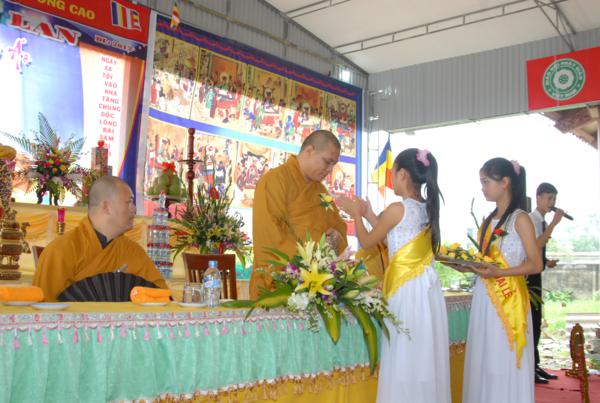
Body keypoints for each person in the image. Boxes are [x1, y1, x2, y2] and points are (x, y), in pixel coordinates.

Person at [336, 148, 450, 403]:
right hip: (424, 289)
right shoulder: (426, 207)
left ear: (403, 174)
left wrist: (355, 215)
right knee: (420, 355)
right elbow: (393, 241)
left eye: (393, 173)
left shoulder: (398, 208)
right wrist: (368, 213)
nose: (391, 179)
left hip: (406, 290)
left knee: (403, 353)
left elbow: (368, 241)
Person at [462, 158, 542, 403]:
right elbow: (485, 259)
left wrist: (499, 274)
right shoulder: (488, 220)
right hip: (485, 297)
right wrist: (465, 264)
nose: (483, 188)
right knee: (485, 359)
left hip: (509, 298)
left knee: (503, 358)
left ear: (505, 182)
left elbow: (536, 264)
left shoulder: (520, 219)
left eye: (486, 182)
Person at [33, 176, 168, 301]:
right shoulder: (61, 251)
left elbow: (161, 297)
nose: (134, 209)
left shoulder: (133, 252)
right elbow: (45, 309)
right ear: (106, 207)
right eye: (129, 202)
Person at [250, 130, 348, 299]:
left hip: (318, 287)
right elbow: (270, 240)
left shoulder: (321, 192)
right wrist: (307, 268)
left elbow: (338, 227)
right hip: (279, 286)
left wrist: (337, 237)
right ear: (309, 151)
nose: (330, 170)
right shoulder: (274, 181)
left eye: (333, 164)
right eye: (327, 162)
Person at [529, 182, 564, 383]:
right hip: (528, 277)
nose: (552, 203)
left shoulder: (541, 221)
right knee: (531, 321)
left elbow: (538, 252)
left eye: (554, 199)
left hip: (537, 273)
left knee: (537, 320)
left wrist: (546, 261)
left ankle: (535, 364)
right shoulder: (531, 220)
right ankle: (529, 367)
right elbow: (534, 246)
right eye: (549, 198)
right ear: (538, 197)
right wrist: (554, 224)